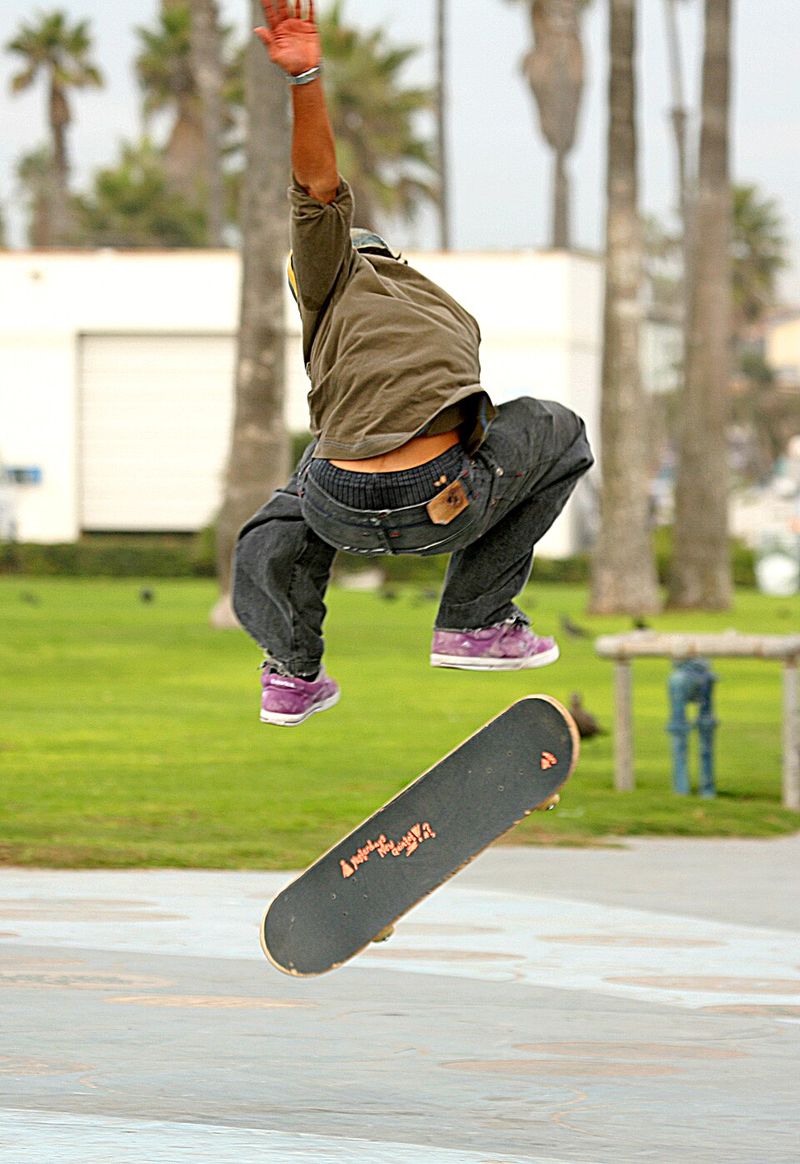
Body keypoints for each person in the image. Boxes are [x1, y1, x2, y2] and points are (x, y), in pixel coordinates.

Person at [233, 0, 594, 726]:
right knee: (558, 429)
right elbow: (319, 189)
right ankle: (475, 620)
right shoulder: (362, 286)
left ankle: (292, 673)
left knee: (282, 511)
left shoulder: (378, 301)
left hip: (340, 501)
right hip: (442, 499)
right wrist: (306, 80)